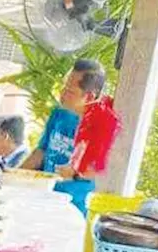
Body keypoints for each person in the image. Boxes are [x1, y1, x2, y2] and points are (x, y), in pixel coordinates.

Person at [21, 58, 107, 213]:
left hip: (73, 207)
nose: (62, 94)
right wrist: (13, 176)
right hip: (44, 197)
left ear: (89, 97)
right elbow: (40, 153)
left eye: (69, 91)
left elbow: (100, 170)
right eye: (64, 87)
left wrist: (75, 173)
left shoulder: (101, 127)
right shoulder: (59, 114)